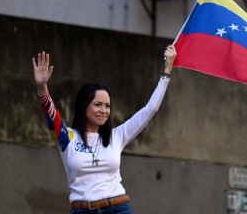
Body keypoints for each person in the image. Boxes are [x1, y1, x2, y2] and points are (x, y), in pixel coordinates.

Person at [32, 45, 177, 214]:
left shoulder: (117, 135)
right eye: (98, 104)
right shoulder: (67, 138)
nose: (104, 110)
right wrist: (42, 88)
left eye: (107, 106)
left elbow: (150, 109)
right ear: (83, 106)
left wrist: (167, 69)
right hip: (82, 210)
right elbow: (51, 115)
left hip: (118, 208)